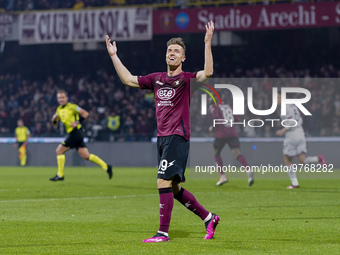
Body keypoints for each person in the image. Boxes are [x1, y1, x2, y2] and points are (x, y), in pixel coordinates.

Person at [106, 21, 220, 242]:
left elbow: (208, 72)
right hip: (162, 138)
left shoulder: (187, 80)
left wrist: (207, 43)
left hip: (178, 136)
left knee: (162, 182)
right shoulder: (156, 79)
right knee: (174, 188)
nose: (172, 53)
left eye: (177, 51)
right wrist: (113, 56)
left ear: (183, 58)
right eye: (169, 50)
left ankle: (163, 233)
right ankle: (209, 218)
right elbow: (128, 79)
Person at [50, 89, 112, 181]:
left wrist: (77, 122)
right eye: (59, 98)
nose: (61, 99)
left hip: (75, 132)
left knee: (59, 151)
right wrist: (54, 119)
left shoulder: (72, 107)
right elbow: (55, 123)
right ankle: (106, 167)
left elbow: (85, 113)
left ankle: (60, 175)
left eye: (63, 97)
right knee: (86, 156)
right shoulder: (59, 109)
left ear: (67, 98)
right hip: (75, 135)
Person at [275, 90, 327, 189]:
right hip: (300, 132)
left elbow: (291, 122)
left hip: (292, 135)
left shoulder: (285, 107)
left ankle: (294, 184)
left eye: (277, 97)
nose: (276, 100)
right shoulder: (292, 105)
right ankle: (318, 159)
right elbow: (300, 119)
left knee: (287, 159)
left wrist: (282, 131)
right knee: (302, 161)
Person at [209, 102, 254, 186]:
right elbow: (237, 119)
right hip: (232, 132)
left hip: (221, 133)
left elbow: (215, 118)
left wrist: (212, 128)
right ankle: (248, 170)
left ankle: (223, 176)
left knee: (216, 153)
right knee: (237, 154)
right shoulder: (228, 105)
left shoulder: (213, 106)